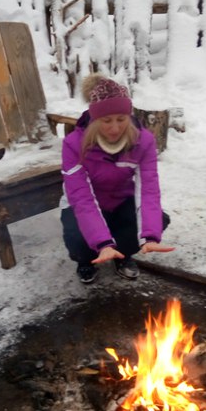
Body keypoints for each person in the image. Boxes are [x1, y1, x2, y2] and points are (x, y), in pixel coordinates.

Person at [60, 74, 174, 284]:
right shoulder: (73, 144)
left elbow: (148, 189)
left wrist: (150, 235)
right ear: (94, 120)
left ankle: (123, 255)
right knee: (78, 239)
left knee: (159, 219)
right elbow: (82, 198)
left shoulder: (143, 141)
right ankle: (86, 260)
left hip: (120, 198)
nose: (115, 128)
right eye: (106, 121)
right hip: (84, 204)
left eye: (121, 119)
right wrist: (102, 242)